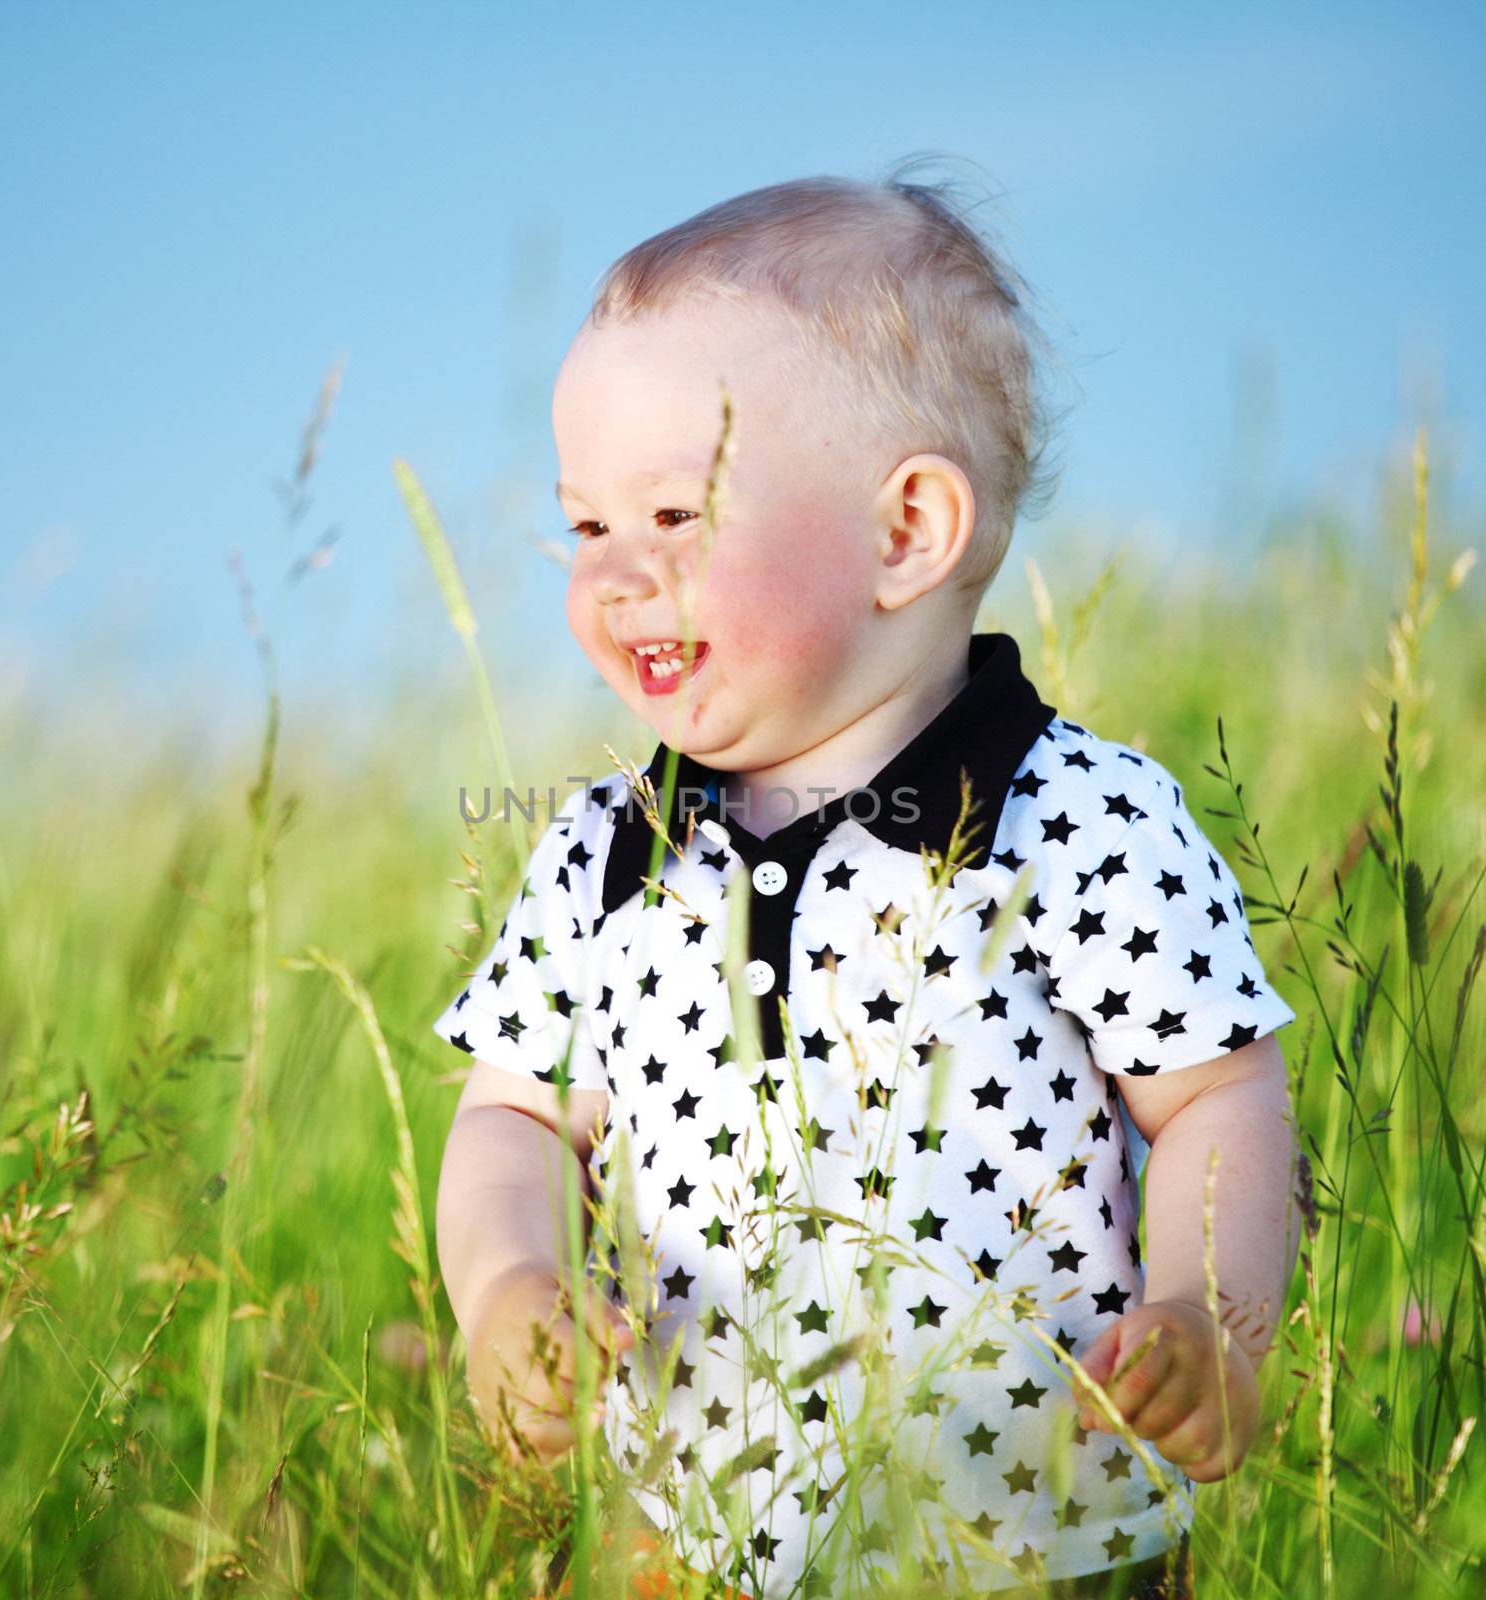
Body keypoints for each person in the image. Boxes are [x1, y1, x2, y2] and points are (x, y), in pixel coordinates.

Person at [432, 162, 1300, 1600]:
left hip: (1040, 1545)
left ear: (907, 533)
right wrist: (506, 1289)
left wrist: (1210, 1321)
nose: (615, 577)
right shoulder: (605, 856)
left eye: (674, 516)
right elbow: (515, 1118)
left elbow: (1216, 1089)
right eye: (587, 527)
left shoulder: (1074, 820)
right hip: (692, 1549)